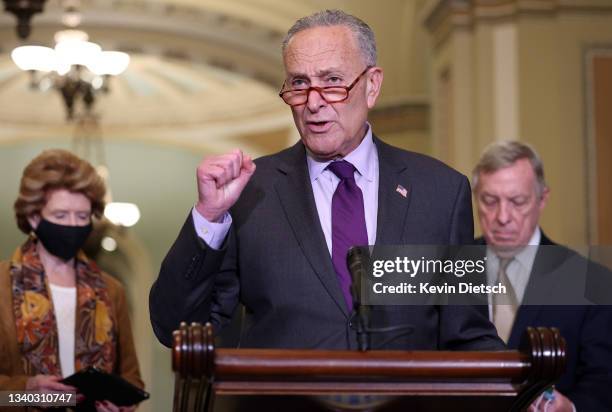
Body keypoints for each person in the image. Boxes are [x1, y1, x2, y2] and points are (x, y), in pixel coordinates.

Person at [150, 9, 503, 351]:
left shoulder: (440, 192)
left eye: (332, 81)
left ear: (372, 86)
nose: (313, 103)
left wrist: (534, 393)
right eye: (299, 84)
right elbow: (177, 327)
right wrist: (208, 218)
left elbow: (467, 334)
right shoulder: (251, 192)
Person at [473, 140, 612, 412]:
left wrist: (570, 408)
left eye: (517, 202)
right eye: (489, 201)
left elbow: (604, 382)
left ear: (542, 199)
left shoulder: (592, 283)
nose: (502, 217)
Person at [0, 149, 143, 412]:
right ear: (33, 217)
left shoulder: (111, 290)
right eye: (60, 216)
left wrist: (121, 407)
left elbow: (131, 379)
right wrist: (27, 391)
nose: (73, 226)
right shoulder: (2, 286)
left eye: (82, 216)